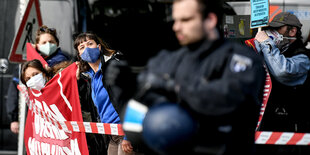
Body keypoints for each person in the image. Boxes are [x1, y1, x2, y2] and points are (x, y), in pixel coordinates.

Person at [114, 0, 266, 154]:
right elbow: (138, 111)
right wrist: (123, 90)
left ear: (210, 20)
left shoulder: (240, 58)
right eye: (175, 20)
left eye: (186, 20)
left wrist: (175, 87)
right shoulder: (172, 59)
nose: (176, 27)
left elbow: (229, 97)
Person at [245, 12, 310, 154]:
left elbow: (283, 71)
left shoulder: (303, 57)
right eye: (270, 29)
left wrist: (266, 43)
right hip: (268, 126)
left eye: (277, 29)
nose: (270, 33)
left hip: (291, 130)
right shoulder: (273, 52)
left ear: (292, 31)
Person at [74, 32, 137, 155]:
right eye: (82, 47)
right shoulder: (89, 78)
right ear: (80, 55)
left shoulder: (114, 68)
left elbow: (131, 99)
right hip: (110, 135)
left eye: (90, 44)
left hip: (123, 132)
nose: (87, 48)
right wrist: (77, 80)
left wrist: (128, 136)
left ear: (98, 47)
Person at [6, 25, 70, 134]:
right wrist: (14, 118)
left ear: (57, 44)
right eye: (44, 43)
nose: (48, 45)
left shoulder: (63, 62)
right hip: (32, 118)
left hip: (54, 119)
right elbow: (14, 90)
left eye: (51, 42)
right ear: (37, 46)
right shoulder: (29, 63)